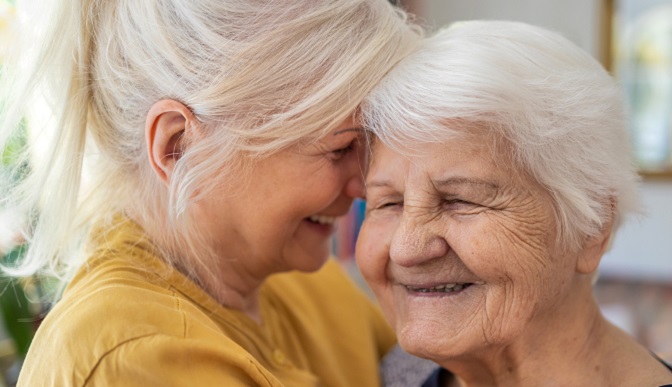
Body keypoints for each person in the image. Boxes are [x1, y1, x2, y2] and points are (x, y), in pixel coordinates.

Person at [356, 20, 672, 387]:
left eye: (460, 200)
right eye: (388, 204)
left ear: (592, 228)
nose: (406, 248)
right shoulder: (391, 374)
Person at [0, 0, 420, 385]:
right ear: (178, 147)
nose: (363, 185)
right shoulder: (130, 358)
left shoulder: (308, 283)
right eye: (340, 148)